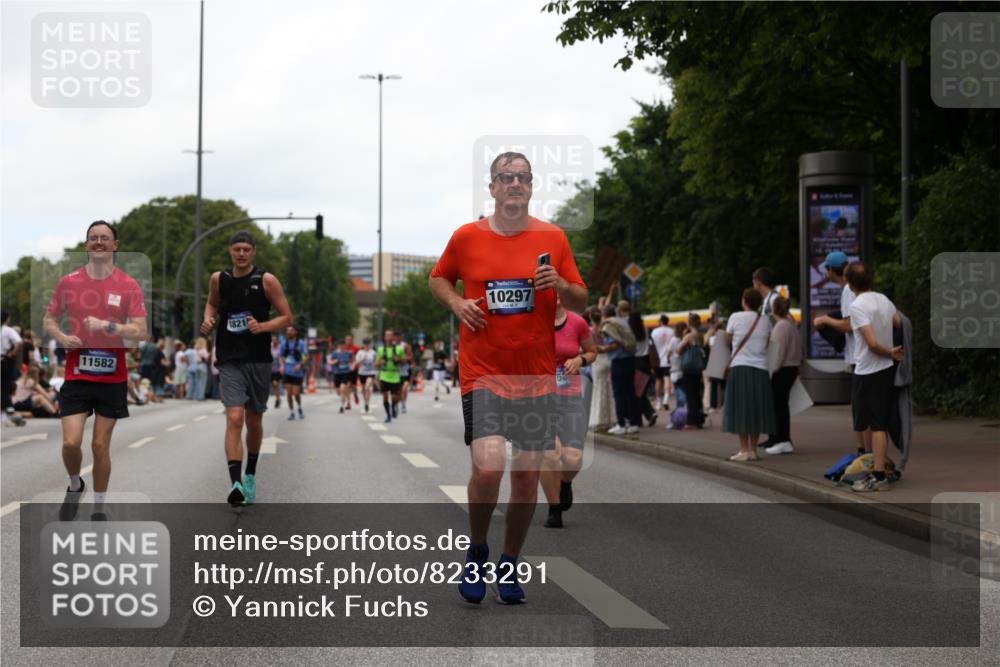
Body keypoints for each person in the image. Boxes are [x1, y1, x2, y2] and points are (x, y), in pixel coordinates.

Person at [429, 150, 587, 605]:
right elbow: (438, 280)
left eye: (523, 177)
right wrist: (458, 304)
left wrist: (558, 283)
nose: (515, 184)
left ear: (531, 186)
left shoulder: (553, 238)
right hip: (482, 371)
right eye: (506, 177)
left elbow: (578, 301)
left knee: (525, 477)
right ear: (493, 187)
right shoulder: (467, 237)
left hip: (535, 377)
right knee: (489, 464)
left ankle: (510, 562)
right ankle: (478, 549)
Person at [42, 220, 148, 520]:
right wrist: (62, 337)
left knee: (100, 444)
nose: (98, 242)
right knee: (70, 442)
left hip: (112, 377)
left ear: (116, 245)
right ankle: (75, 484)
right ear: (87, 245)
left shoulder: (128, 285)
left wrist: (108, 326)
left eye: (105, 238)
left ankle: (99, 508)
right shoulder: (70, 282)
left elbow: (141, 332)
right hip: (77, 374)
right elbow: (50, 319)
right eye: (93, 238)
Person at [201, 230, 293, 506]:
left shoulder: (266, 280)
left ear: (253, 252)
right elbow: (211, 304)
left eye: (246, 249)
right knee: (234, 418)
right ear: (230, 251)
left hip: (258, 359)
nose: (241, 254)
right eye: (236, 249)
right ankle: (236, 483)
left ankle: (250, 473)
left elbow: (287, 317)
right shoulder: (219, 279)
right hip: (229, 358)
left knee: (254, 421)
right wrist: (209, 320)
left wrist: (262, 326)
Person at [845, 262, 903, 492]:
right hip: (886, 369)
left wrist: (888, 351)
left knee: (873, 424)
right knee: (880, 423)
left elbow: (870, 342)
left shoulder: (857, 306)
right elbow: (900, 322)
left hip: (868, 370)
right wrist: (894, 350)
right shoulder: (883, 300)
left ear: (849, 284)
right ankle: (877, 469)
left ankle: (878, 476)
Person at [542, 296, 597, 528]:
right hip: (540, 398)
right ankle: (554, 509)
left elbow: (592, 351)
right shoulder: (533, 322)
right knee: (550, 454)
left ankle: (565, 483)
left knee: (573, 459)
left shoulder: (578, 323)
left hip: (570, 396)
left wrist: (579, 359)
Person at [813, 250, 871, 456]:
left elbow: (849, 325)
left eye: (826, 269)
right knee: (861, 406)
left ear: (831, 270)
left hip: (859, 357)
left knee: (860, 407)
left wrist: (826, 321)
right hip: (861, 355)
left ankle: (865, 453)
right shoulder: (852, 289)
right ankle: (865, 451)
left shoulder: (848, 290)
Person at [722, 288, 774, 461]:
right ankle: (753, 449)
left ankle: (743, 450)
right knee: (756, 408)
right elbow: (768, 342)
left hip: (740, 367)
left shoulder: (735, 317)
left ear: (744, 301)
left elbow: (727, 340)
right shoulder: (766, 320)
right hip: (761, 368)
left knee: (741, 409)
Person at [765, 297, 802, 454]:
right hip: (792, 368)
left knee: (777, 406)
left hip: (782, 370)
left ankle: (781, 439)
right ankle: (779, 438)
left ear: (774, 309)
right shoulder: (791, 325)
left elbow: (778, 353)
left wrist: (771, 371)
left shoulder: (780, 327)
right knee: (782, 405)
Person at [600, 303, 640, 435]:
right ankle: (634, 423)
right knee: (630, 392)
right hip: (630, 359)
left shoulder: (609, 325)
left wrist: (602, 349)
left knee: (618, 393)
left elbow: (614, 344)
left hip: (619, 361)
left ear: (604, 314)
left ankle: (621, 424)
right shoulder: (622, 322)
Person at [676, 312, 707, 429]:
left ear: (689, 323)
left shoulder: (689, 336)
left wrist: (683, 336)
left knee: (690, 395)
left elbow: (678, 350)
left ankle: (691, 421)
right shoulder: (700, 335)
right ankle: (699, 419)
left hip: (689, 368)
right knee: (697, 394)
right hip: (698, 368)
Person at [586, 307, 613, 430]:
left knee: (598, 390)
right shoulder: (605, 329)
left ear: (591, 318)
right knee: (609, 389)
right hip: (607, 359)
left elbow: (588, 348)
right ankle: (611, 418)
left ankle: (599, 419)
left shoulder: (590, 331)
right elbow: (610, 344)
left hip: (597, 361)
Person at [629, 311, 657, 427]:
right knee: (642, 391)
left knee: (637, 393)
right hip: (646, 361)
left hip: (635, 361)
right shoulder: (645, 329)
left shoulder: (630, 330)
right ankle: (648, 413)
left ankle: (648, 414)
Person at [374, 328, 404, 422]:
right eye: (387, 335)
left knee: (394, 397)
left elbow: (403, 362)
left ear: (394, 337)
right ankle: (388, 415)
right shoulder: (381, 349)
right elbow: (375, 363)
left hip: (395, 375)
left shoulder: (399, 349)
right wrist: (380, 362)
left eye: (391, 335)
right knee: (385, 395)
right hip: (384, 374)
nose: (389, 337)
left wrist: (398, 360)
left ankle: (394, 406)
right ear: (384, 337)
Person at [279, 326, 308, 420]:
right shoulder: (284, 343)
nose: (289, 332)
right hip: (287, 371)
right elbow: (280, 356)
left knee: (296, 394)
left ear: (295, 332)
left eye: (291, 330)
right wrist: (282, 366)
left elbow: (306, 356)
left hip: (298, 372)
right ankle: (291, 412)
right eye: (287, 330)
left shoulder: (301, 343)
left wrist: (301, 365)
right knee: (289, 393)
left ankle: (299, 407)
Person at [1, 309, 23, 422]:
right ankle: (7, 408)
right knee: (5, 384)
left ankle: (5, 409)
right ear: (7, 318)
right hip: (4, 359)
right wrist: (12, 353)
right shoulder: (8, 330)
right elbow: (18, 342)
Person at [650, 314, 673, 410]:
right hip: (668, 359)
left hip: (657, 360)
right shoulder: (671, 331)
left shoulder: (655, 331)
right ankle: (666, 399)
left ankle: (658, 402)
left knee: (658, 380)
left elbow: (651, 345)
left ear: (660, 321)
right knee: (667, 378)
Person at [329, 340, 354, 413]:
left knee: (342, 389)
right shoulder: (335, 353)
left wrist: (352, 365)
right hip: (337, 373)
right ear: (338, 346)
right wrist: (334, 362)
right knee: (338, 392)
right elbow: (330, 362)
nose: (342, 347)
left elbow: (353, 360)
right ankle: (346, 397)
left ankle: (341, 407)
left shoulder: (349, 353)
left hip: (345, 373)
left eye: (343, 345)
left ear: (345, 346)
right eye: (340, 346)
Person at [354, 338, 377, 412]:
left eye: (368, 344)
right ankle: (366, 403)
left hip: (371, 372)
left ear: (370, 344)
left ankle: (367, 403)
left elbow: (376, 362)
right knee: (364, 389)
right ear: (363, 345)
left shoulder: (373, 352)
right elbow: (356, 363)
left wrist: (375, 364)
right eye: (365, 344)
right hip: (362, 373)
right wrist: (362, 360)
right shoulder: (360, 352)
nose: (366, 345)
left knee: (367, 387)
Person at [395, 331, 415, 414]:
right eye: (395, 337)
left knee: (404, 389)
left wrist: (403, 359)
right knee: (397, 390)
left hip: (406, 370)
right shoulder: (392, 346)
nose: (396, 338)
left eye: (397, 337)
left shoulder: (405, 346)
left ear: (400, 337)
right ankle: (395, 405)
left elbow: (411, 356)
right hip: (396, 371)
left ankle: (403, 404)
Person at [269, 334, 283, 408]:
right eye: (272, 340)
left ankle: (278, 399)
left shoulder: (280, 347)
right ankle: (278, 399)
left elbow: (282, 357)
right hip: (271, 369)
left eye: (275, 340)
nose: (273, 341)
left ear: (277, 340)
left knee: (275, 383)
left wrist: (282, 366)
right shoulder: (270, 347)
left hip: (278, 369)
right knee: (274, 386)